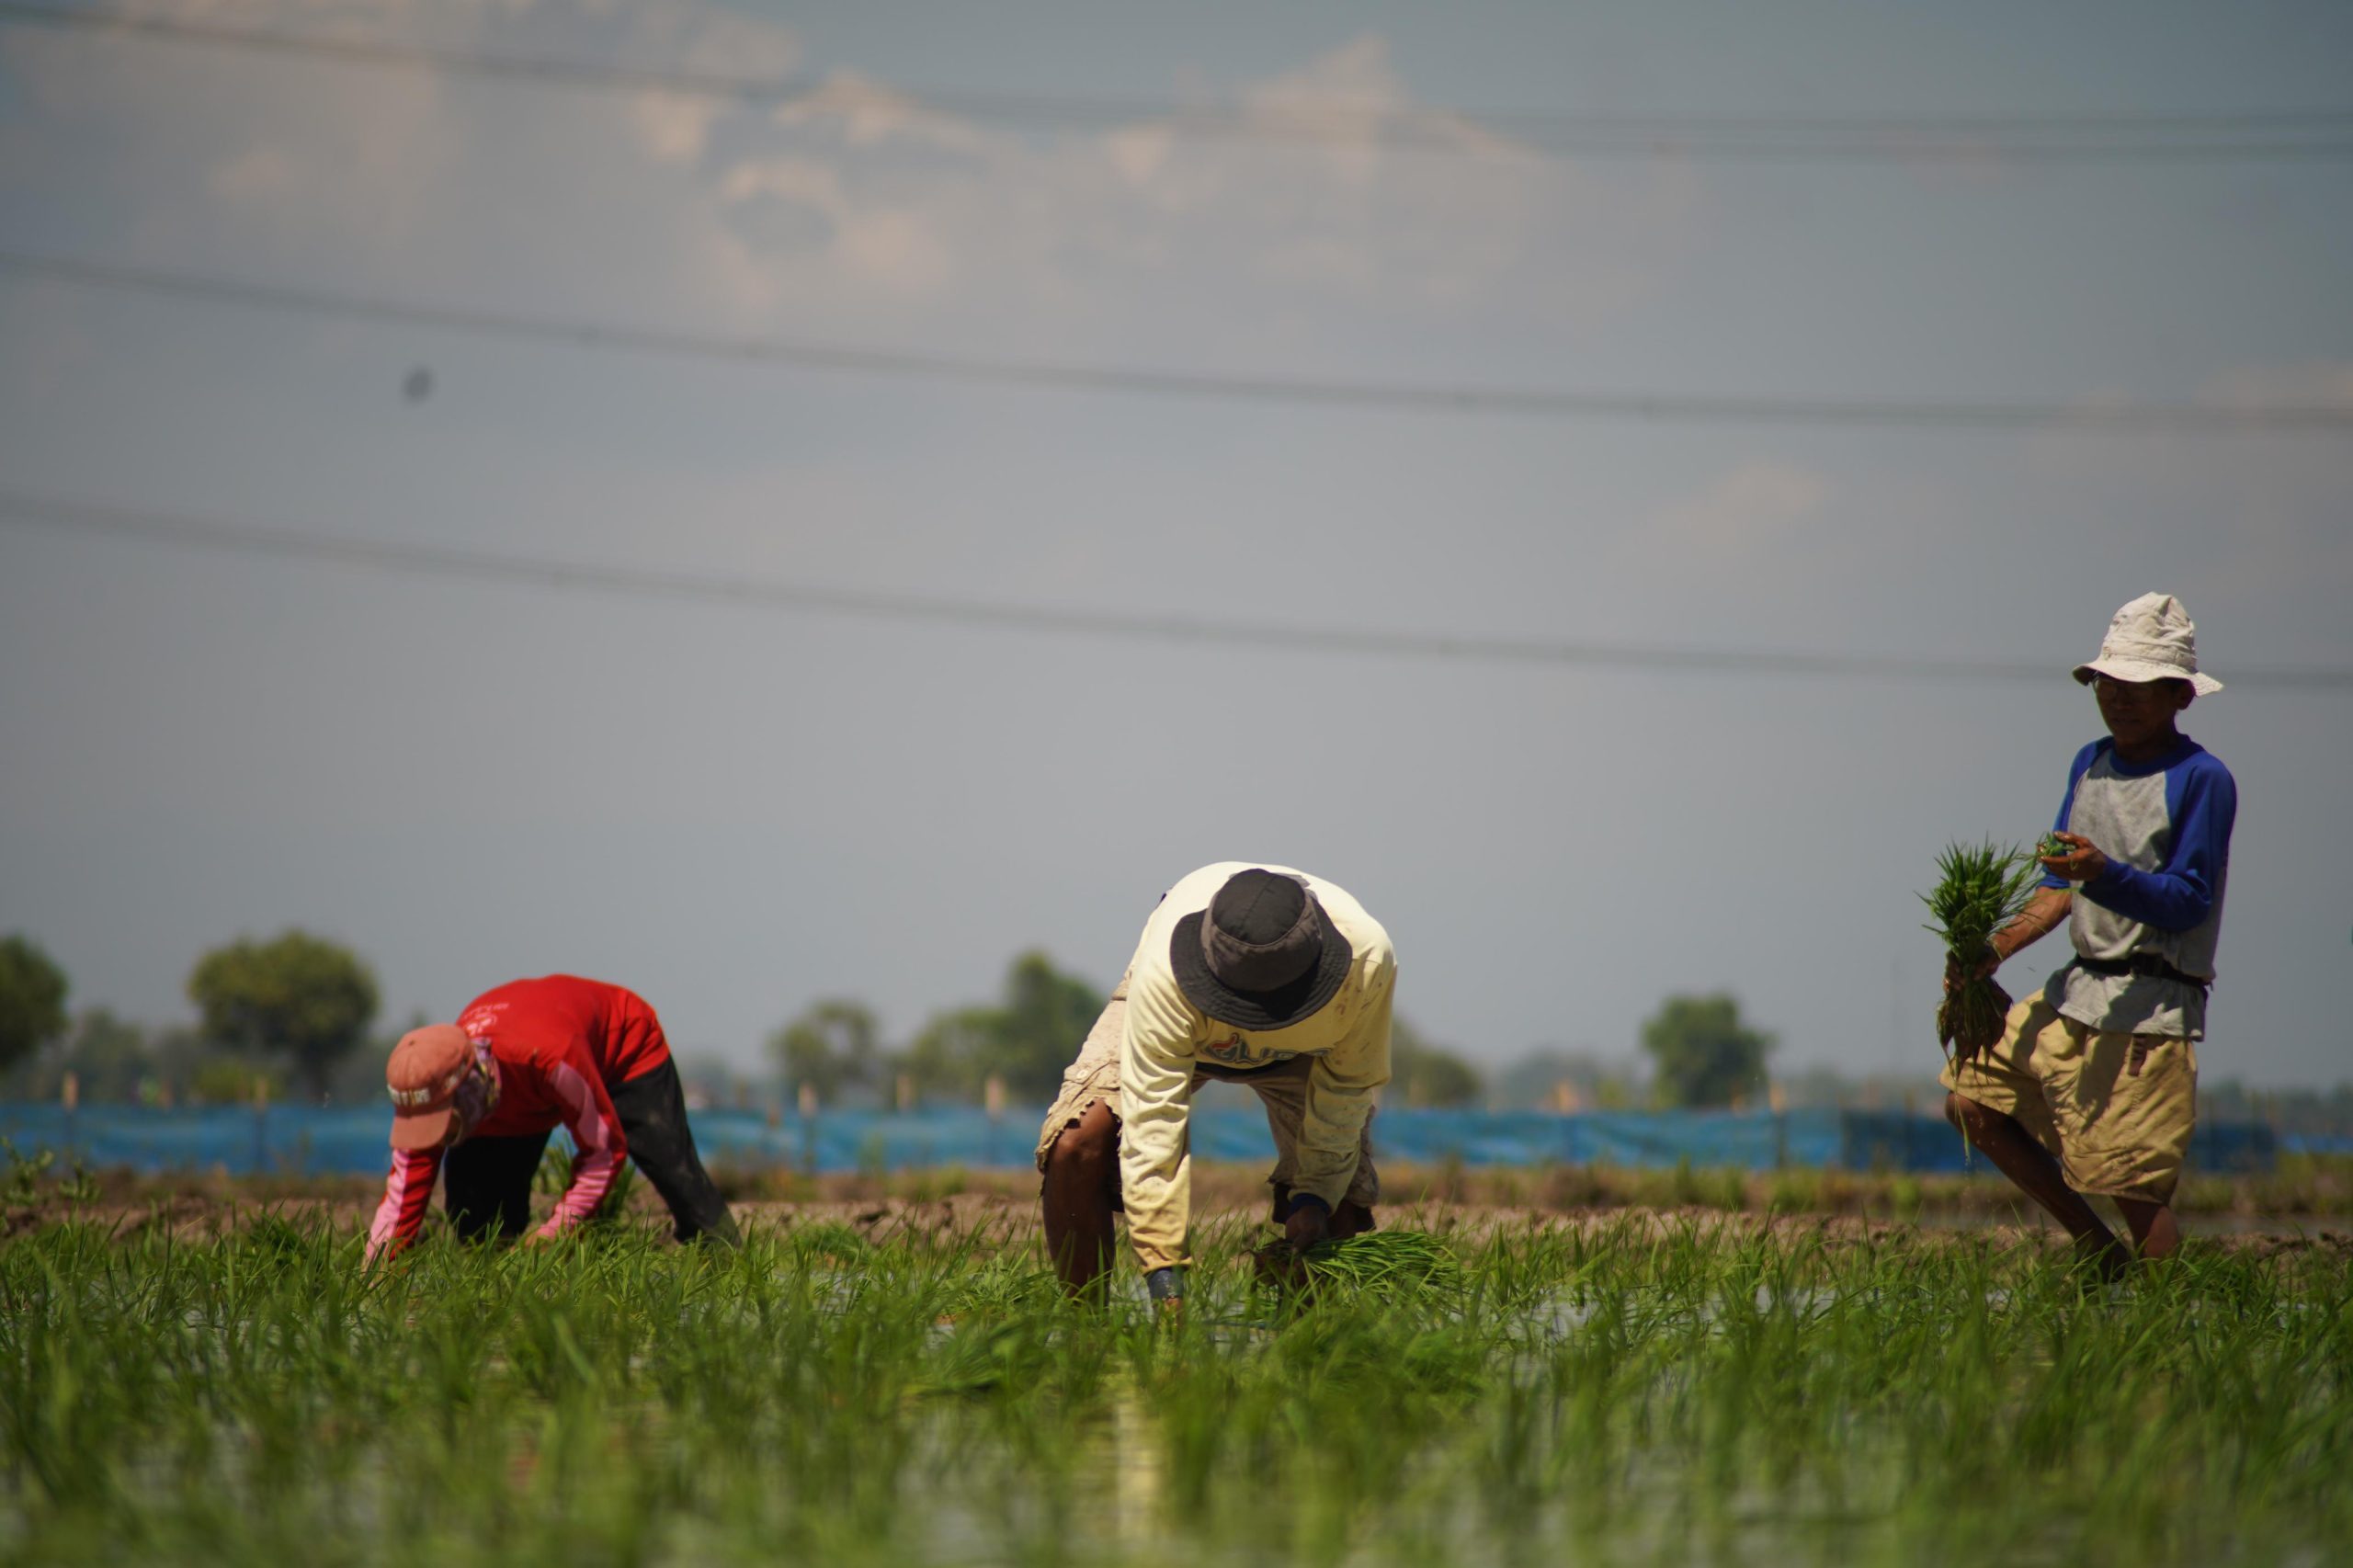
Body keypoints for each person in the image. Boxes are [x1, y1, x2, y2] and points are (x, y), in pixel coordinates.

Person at [1942, 593, 2236, 1276]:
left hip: (2149, 1008)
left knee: (2135, 1189)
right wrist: (1991, 953)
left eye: (2138, 687)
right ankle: (2092, 1247)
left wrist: (2102, 872)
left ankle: (2169, 1333)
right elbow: (2056, 891)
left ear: (2180, 696)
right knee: (1972, 1099)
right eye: (2109, 683)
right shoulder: (2090, 764)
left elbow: (2189, 901)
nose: (2119, 699)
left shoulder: (2202, 780)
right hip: (2075, 994)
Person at [1037, 863, 1394, 1306]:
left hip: (1306, 1051)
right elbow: (1154, 1126)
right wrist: (1163, 1275)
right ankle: (1085, 1339)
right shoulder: (1164, 973)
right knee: (1076, 1142)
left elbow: (1346, 1088)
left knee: (1340, 1202)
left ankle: (1304, 1350)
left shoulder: (1367, 966)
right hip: (1185, 1024)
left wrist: (1315, 1200)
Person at [364, 974, 741, 1263]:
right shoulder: (427, 1081)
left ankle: (731, 1269)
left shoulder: (549, 1057)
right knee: (475, 1217)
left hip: (621, 1046)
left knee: (677, 1175)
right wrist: (375, 1282)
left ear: (471, 1084)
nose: (437, 1134)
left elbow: (604, 1152)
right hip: (516, 1094)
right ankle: (500, 1290)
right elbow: (402, 1199)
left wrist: (557, 1231)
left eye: (444, 1120)